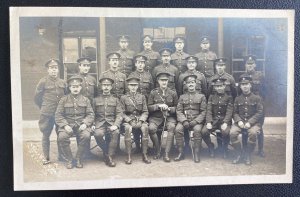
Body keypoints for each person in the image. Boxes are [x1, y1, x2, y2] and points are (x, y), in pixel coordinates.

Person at [55, 76, 95, 169]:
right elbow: (58, 115)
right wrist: (65, 126)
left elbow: (90, 114)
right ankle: (69, 159)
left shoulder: (85, 100)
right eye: (73, 87)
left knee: (86, 136)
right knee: (62, 137)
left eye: (77, 87)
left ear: (81, 88)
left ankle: (78, 158)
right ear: (69, 88)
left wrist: (85, 123)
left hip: (81, 125)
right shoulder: (63, 100)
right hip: (68, 125)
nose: (75, 89)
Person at [34, 59, 67, 165]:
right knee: (46, 134)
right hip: (47, 113)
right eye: (51, 68)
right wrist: (44, 107)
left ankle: (61, 155)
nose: (54, 70)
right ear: (48, 70)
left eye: (55, 68)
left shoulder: (62, 82)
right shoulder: (43, 81)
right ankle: (46, 157)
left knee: (61, 134)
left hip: (59, 114)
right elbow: (37, 98)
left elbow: (65, 96)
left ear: (58, 70)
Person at [230, 76, 263, 165]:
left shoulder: (257, 98)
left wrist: (250, 122)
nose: (245, 86)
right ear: (240, 86)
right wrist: (239, 121)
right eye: (243, 84)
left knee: (252, 133)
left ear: (250, 85)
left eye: (247, 84)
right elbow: (234, 112)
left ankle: (247, 154)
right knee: (232, 133)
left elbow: (260, 112)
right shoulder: (237, 99)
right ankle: (239, 153)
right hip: (240, 122)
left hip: (253, 123)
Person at [175, 75, 207, 163]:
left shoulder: (201, 96)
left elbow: (204, 111)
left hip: (196, 121)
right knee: (178, 129)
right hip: (184, 120)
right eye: (189, 83)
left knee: (197, 131)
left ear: (195, 83)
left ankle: (197, 153)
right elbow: (179, 111)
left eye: (192, 82)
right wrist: (184, 120)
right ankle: (181, 153)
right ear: (186, 85)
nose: (191, 84)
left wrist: (196, 121)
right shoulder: (182, 97)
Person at [92, 77, 123, 167]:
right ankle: (106, 152)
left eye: (108, 85)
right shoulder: (95, 100)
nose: (106, 87)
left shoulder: (116, 100)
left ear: (111, 87)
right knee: (98, 134)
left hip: (111, 123)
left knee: (116, 132)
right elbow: (91, 113)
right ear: (101, 87)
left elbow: (119, 114)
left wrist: (116, 125)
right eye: (104, 85)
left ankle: (109, 157)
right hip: (99, 123)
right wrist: (93, 124)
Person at [148, 71, 178, 162]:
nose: (164, 82)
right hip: (156, 117)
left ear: (168, 81)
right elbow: (148, 107)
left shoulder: (173, 93)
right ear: (158, 81)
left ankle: (166, 153)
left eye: (166, 80)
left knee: (172, 127)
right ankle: (158, 150)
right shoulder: (153, 93)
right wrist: (158, 106)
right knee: (151, 128)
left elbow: (177, 107)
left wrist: (169, 109)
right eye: (162, 80)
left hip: (169, 117)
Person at [120, 77, 151, 164]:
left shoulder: (142, 97)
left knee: (145, 128)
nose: (133, 87)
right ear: (128, 86)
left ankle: (144, 154)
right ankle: (129, 155)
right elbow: (122, 113)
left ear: (137, 86)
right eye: (131, 85)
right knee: (128, 129)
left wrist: (141, 121)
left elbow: (145, 111)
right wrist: (129, 121)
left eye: (135, 85)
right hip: (129, 120)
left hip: (139, 119)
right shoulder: (123, 98)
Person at [240, 55, 266, 157]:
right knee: (245, 126)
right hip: (247, 104)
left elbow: (265, 91)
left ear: (255, 64)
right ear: (245, 65)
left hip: (258, 104)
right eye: (248, 64)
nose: (250, 65)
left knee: (259, 126)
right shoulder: (242, 76)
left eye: (251, 64)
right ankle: (245, 148)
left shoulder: (260, 75)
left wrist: (261, 103)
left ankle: (260, 149)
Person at [128, 55, 154, 153]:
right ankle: (138, 146)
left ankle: (145, 146)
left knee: (144, 123)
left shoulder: (148, 75)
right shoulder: (131, 75)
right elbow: (128, 90)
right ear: (135, 64)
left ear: (144, 64)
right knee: (136, 123)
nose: (140, 65)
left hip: (146, 102)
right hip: (135, 103)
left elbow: (152, 89)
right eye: (138, 63)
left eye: (142, 63)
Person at [202, 78, 233, 159]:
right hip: (213, 121)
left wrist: (226, 123)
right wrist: (208, 122)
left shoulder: (229, 97)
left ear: (224, 86)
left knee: (226, 132)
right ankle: (210, 146)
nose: (219, 88)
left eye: (221, 86)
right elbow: (208, 110)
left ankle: (225, 149)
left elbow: (229, 112)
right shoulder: (211, 97)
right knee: (204, 132)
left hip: (224, 121)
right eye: (217, 86)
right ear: (215, 88)